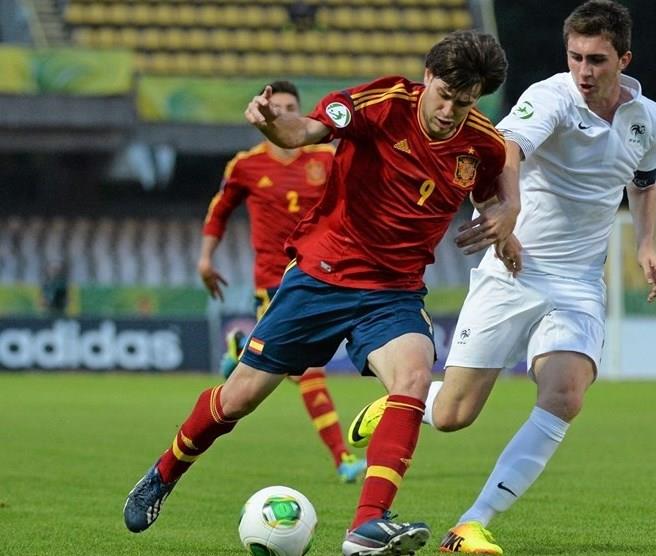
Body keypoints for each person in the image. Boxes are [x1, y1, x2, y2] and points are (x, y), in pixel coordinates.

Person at [123, 30, 513, 556]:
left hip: (393, 292)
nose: (449, 111)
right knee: (238, 399)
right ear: (427, 77)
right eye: (444, 94)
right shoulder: (382, 103)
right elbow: (303, 131)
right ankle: (164, 472)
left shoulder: (481, 143)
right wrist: (269, 123)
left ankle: (367, 526)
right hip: (322, 275)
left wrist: (506, 221)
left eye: (464, 102)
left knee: (416, 376)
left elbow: (496, 186)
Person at [348, 2, 656, 553]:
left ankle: (472, 523)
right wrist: (506, 220)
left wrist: (645, 244)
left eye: (597, 60)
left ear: (624, 59)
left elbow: (643, 181)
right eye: (575, 57)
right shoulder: (551, 97)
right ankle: (408, 403)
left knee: (566, 394)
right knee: (453, 416)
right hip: (512, 269)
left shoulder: (649, 119)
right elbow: (506, 150)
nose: (584, 71)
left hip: (578, 282)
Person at [197, 80, 365, 484]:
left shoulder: (325, 159)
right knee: (306, 372)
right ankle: (342, 457)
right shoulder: (246, 165)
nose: (286, 112)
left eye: (293, 107)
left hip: (319, 274)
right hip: (273, 281)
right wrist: (205, 257)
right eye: (279, 106)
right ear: (266, 111)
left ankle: (241, 345)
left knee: (295, 367)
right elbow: (219, 211)